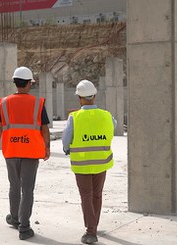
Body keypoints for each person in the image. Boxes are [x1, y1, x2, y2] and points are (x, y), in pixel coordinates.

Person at [0, 66, 50, 240]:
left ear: (15, 83)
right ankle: (24, 228)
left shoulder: (5, 103)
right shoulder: (38, 103)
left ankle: (15, 218)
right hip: (31, 152)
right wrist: (47, 147)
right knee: (28, 189)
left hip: (11, 151)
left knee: (14, 186)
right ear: (29, 84)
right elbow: (44, 128)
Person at [62, 80, 116, 244]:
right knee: (97, 195)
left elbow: (66, 139)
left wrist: (67, 149)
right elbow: (112, 128)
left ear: (79, 98)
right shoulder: (106, 115)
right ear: (94, 96)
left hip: (82, 164)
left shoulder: (75, 117)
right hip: (101, 163)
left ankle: (91, 231)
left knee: (86, 195)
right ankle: (94, 225)